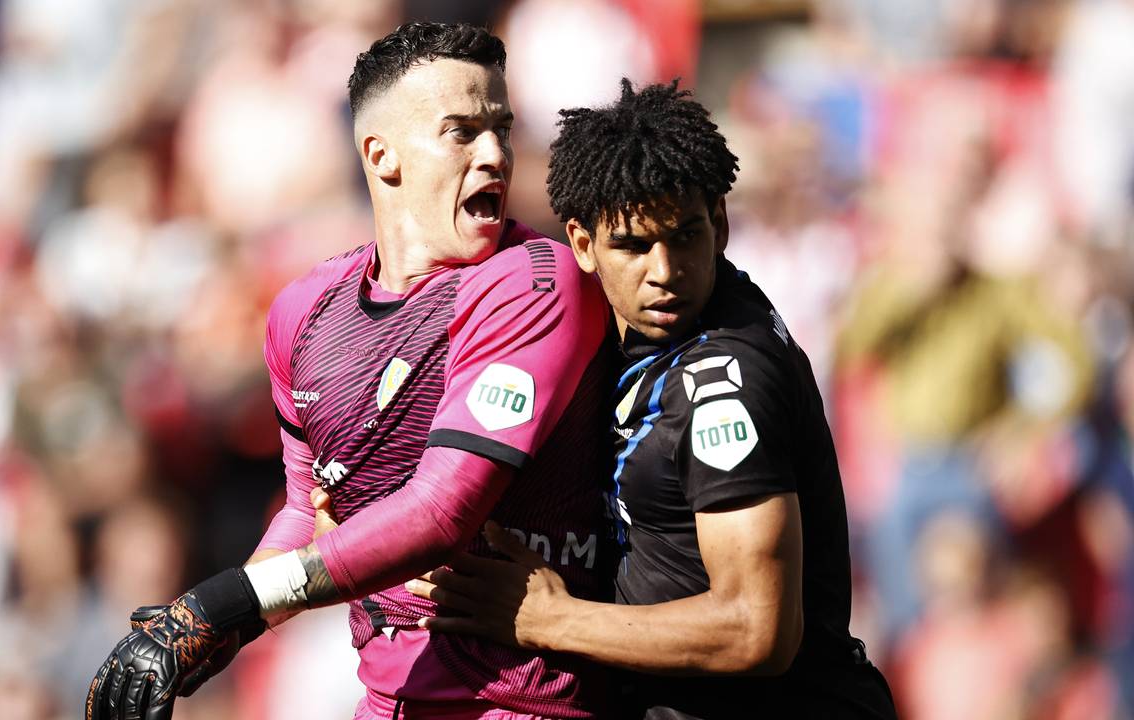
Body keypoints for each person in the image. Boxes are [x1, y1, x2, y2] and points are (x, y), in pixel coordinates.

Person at [85, 22, 617, 720]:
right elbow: (310, 514)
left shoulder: (536, 282)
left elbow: (441, 511)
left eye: (501, 129)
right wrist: (212, 636)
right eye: (460, 132)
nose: (493, 155)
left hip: (522, 704)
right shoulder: (304, 312)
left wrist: (218, 606)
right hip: (384, 699)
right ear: (381, 155)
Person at [405, 80, 898, 719]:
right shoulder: (641, 339)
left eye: (685, 236)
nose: (664, 271)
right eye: (634, 246)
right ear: (582, 245)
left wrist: (553, 620)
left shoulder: (724, 382)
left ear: (719, 224)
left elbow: (757, 629)